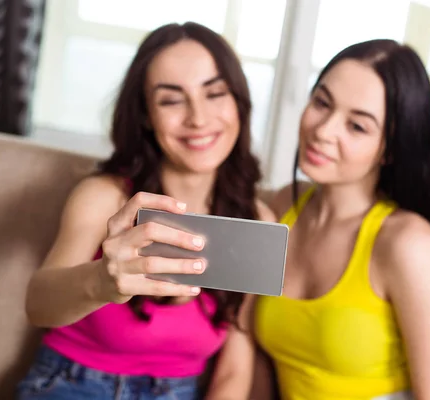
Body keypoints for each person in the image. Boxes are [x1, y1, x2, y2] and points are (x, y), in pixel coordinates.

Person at [18, 22, 273, 400]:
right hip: (73, 383)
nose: (198, 119)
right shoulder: (105, 195)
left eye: (215, 93)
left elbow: (235, 368)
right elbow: (38, 305)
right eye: (172, 100)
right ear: (145, 116)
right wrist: (102, 281)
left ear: (239, 102)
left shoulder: (257, 221)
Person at [251, 40, 430, 400]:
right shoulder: (283, 204)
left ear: (391, 149)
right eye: (321, 103)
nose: (323, 130)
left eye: (357, 126)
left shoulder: (407, 243)